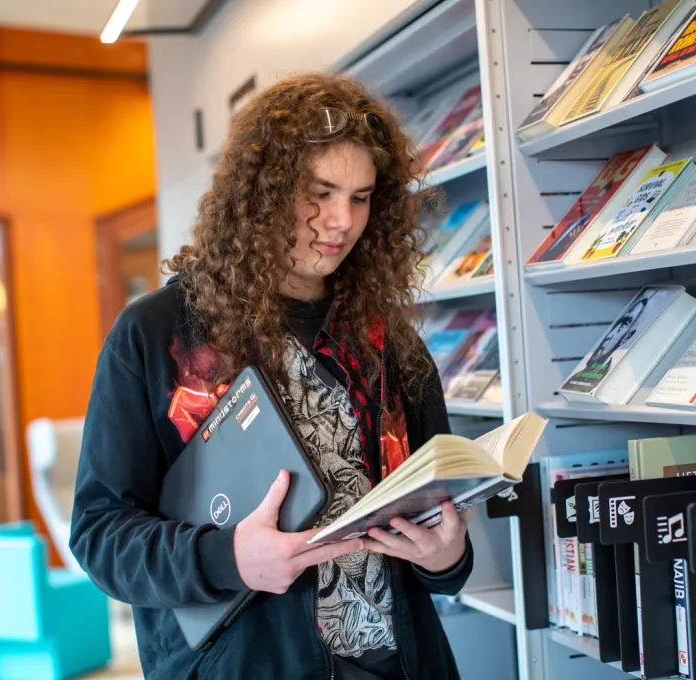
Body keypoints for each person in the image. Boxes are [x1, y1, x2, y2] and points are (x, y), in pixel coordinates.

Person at [69, 72, 473, 680]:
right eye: (319, 191)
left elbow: (433, 509)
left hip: (401, 663)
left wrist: (448, 558)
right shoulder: (157, 334)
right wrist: (226, 558)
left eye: (360, 197)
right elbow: (101, 535)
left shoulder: (391, 341)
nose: (340, 220)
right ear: (262, 191)